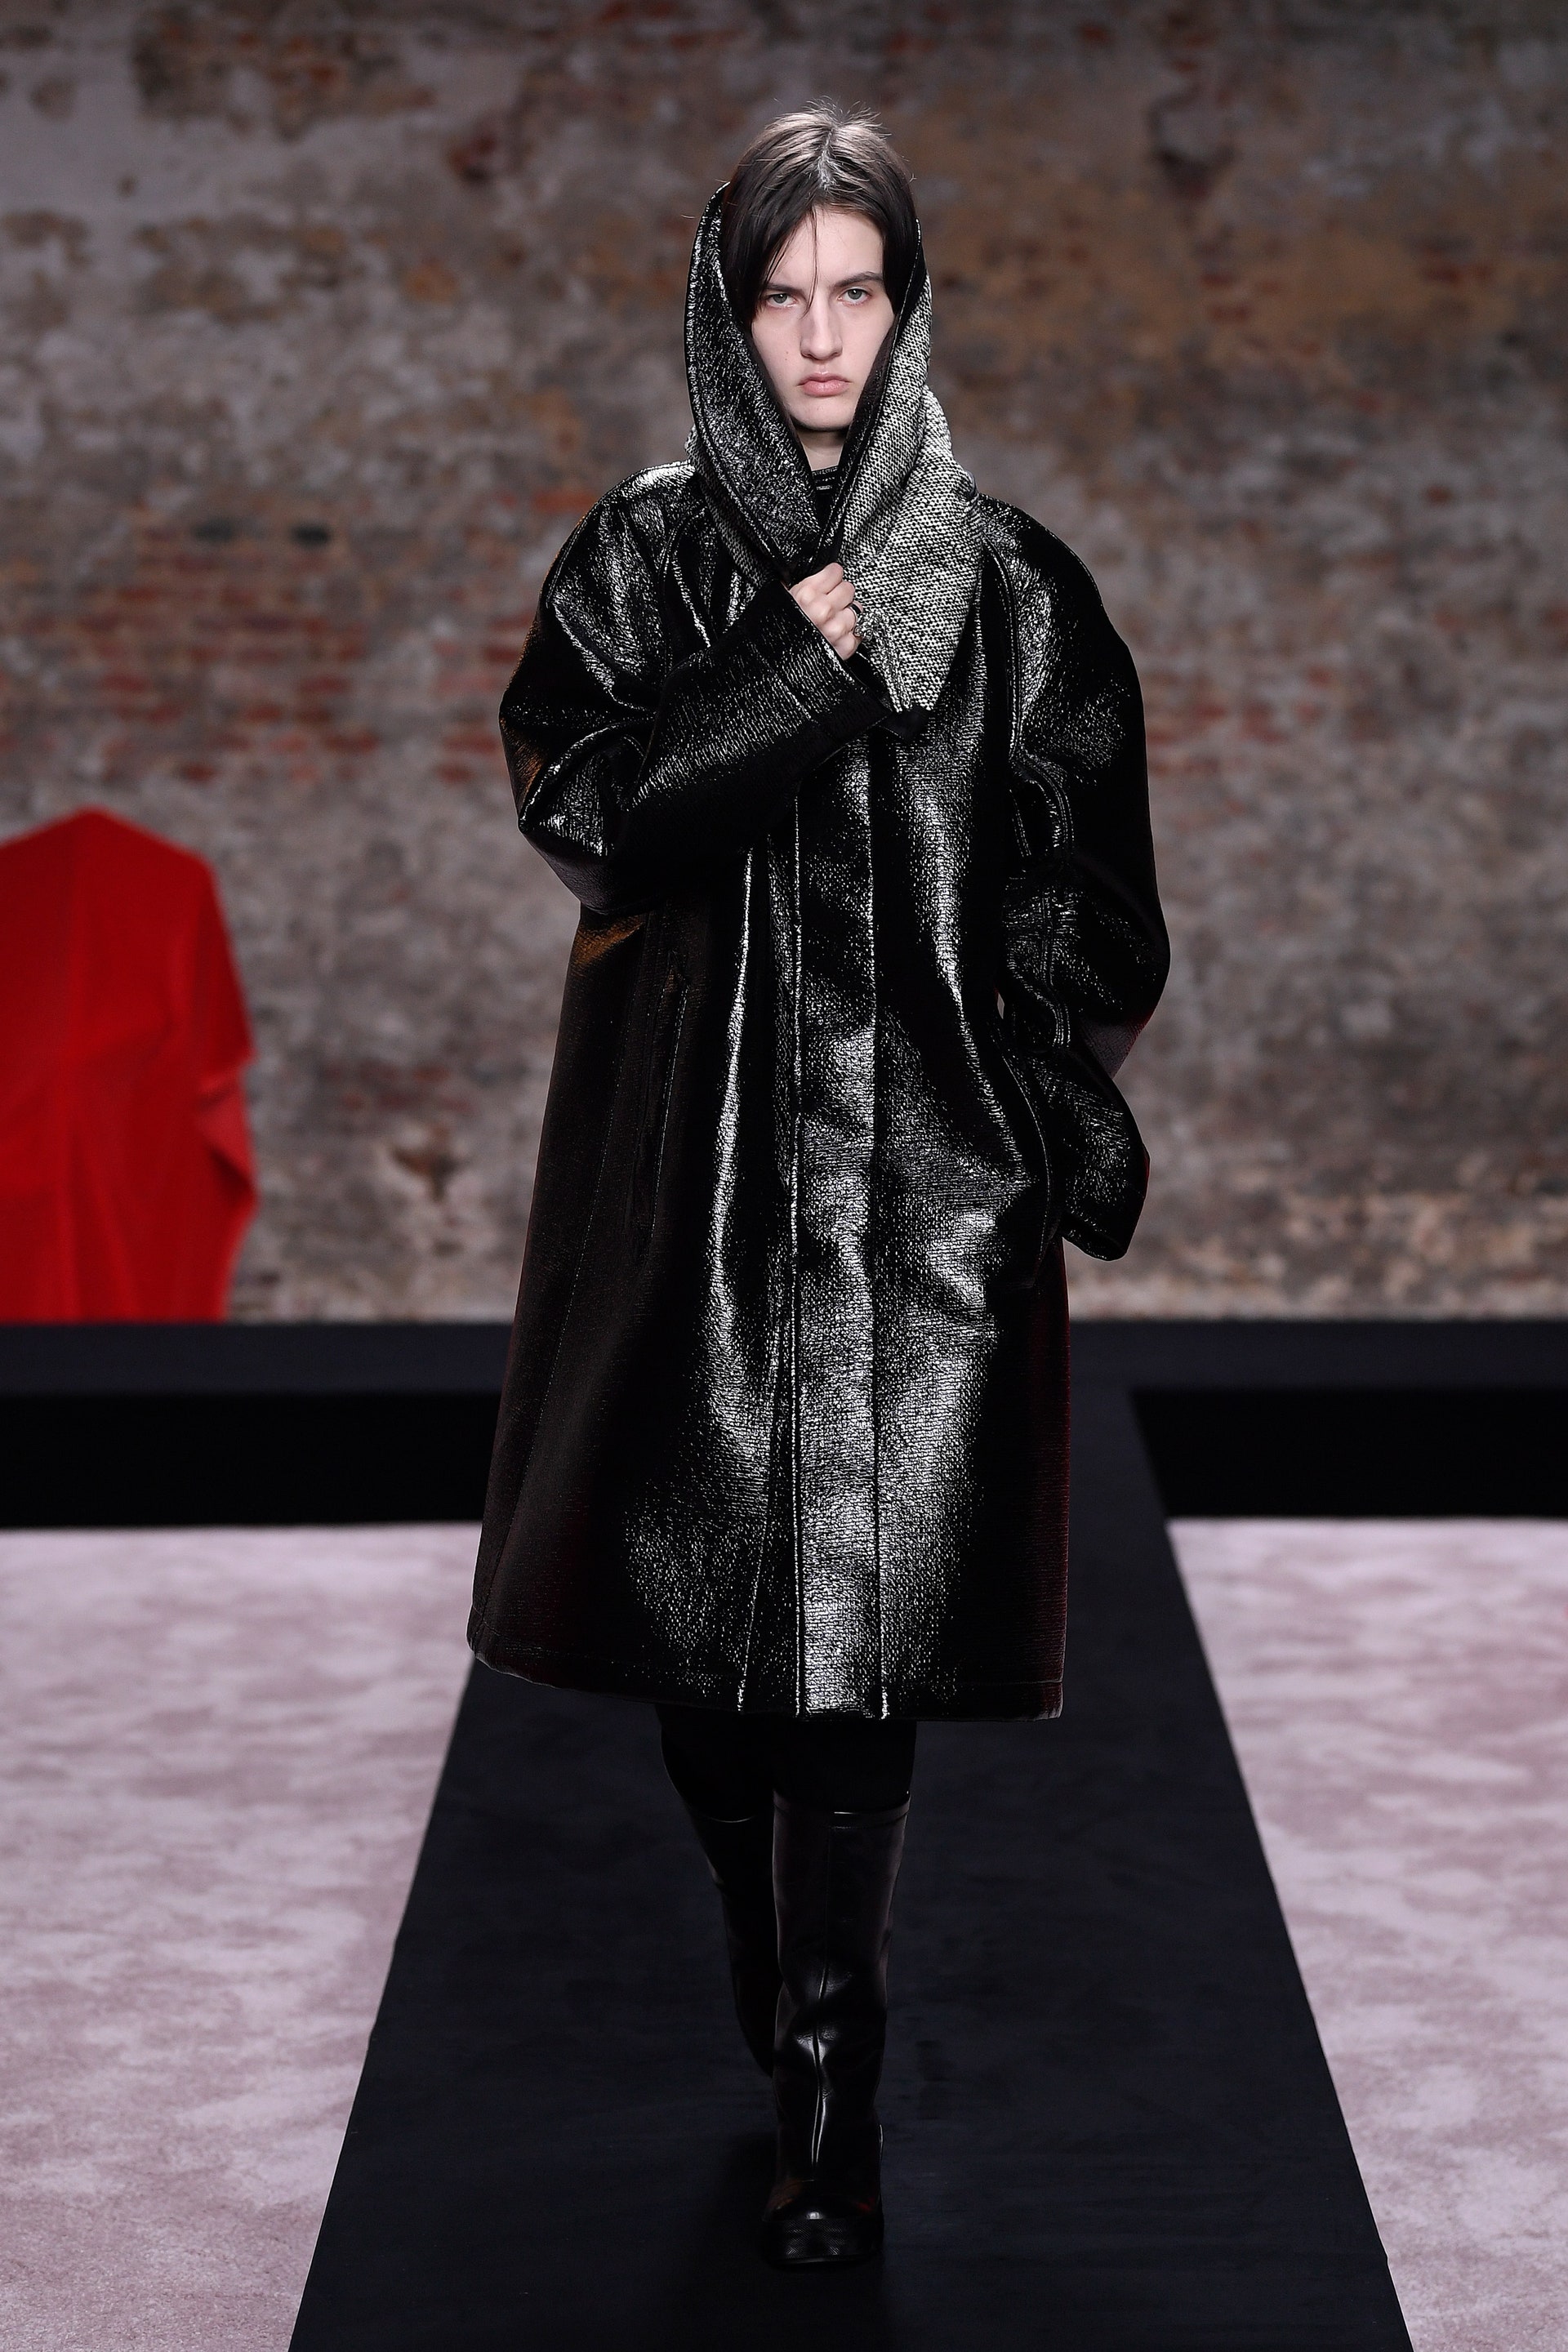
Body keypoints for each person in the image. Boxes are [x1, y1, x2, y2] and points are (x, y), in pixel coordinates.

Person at [469, 105, 1169, 2269]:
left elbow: (1103, 901)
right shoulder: (645, 558)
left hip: (925, 1203)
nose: (823, 338)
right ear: (727, 312)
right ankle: (773, 1979)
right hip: (688, 1201)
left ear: (910, 304)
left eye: (858, 291)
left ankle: (835, 2089)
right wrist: (804, 659)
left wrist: (1024, 1057)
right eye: (782, 297)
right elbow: (592, 817)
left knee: (851, 1683)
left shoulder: (1015, 581)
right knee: (707, 1673)